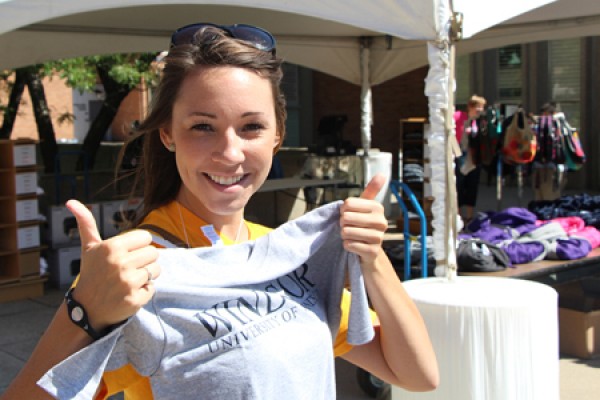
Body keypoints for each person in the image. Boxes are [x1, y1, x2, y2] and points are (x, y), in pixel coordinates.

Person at [2, 23, 438, 399]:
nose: (230, 153)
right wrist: (82, 311)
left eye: (251, 126)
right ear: (168, 134)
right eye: (202, 127)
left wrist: (372, 258)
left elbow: (417, 375)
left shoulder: (285, 253)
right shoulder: (132, 273)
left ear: (277, 135)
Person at [454, 95, 486, 224]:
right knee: (459, 186)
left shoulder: (480, 122)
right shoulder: (459, 117)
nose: (479, 109)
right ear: (470, 107)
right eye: (477, 106)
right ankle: (458, 215)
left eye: (481, 107)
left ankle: (470, 216)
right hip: (459, 156)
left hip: (474, 158)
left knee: (472, 185)